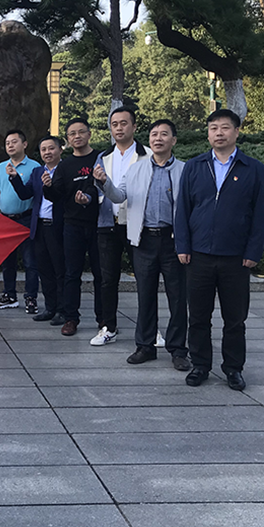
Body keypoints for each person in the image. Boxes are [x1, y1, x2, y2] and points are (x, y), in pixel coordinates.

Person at [175, 109, 264, 391]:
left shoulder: (253, 169)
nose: (219, 133)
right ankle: (200, 365)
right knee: (198, 317)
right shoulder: (194, 166)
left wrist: (253, 251)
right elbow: (183, 210)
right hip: (199, 255)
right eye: (213, 128)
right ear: (208, 133)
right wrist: (183, 245)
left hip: (236, 258)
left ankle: (233, 368)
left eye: (225, 127)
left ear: (236, 132)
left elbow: (260, 215)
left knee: (235, 319)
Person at [95, 119, 191, 370]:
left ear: (174, 140)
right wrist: (104, 182)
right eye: (154, 134)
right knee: (145, 295)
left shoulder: (185, 170)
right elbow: (119, 196)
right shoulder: (136, 169)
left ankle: (178, 349)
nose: (158, 138)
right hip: (144, 240)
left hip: (173, 240)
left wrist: (187, 243)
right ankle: (145, 346)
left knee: (177, 297)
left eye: (164, 134)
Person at [91, 106, 151, 346]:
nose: (118, 128)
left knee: (145, 279)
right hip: (108, 224)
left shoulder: (147, 155)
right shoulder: (103, 157)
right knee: (108, 279)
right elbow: (97, 188)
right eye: (114, 124)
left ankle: (150, 328)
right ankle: (109, 327)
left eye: (124, 123)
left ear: (134, 126)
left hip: (138, 225)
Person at [42, 118, 103, 337]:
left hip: (98, 225)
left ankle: (104, 319)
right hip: (72, 225)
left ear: (89, 134)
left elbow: (104, 186)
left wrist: (88, 198)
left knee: (101, 274)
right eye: (72, 134)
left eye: (81, 132)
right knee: (71, 274)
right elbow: (56, 195)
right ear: (68, 139)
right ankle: (71, 318)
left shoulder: (101, 158)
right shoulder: (65, 165)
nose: (77, 136)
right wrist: (48, 187)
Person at [0, 130, 40, 313]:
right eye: (7, 143)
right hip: (5, 220)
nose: (10, 145)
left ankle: (31, 298)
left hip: (26, 220)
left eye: (14, 142)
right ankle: (9, 295)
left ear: (24, 144)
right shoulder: (1, 167)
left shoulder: (34, 167)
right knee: (7, 262)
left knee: (30, 262)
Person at [8, 135, 65, 322]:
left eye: (51, 148)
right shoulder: (37, 172)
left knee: (60, 270)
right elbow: (25, 194)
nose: (47, 152)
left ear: (60, 150)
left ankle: (63, 310)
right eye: (43, 149)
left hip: (58, 226)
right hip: (39, 226)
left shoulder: (66, 170)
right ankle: (50, 308)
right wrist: (14, 178)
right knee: (44, 269)